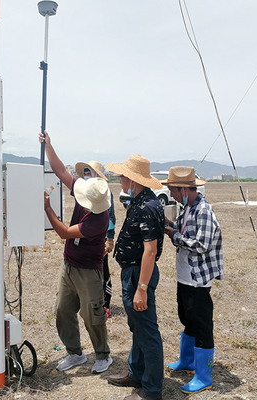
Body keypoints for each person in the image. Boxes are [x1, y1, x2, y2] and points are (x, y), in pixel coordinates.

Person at [39, 131, 113, 374]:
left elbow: (63, 232)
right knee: (62, 310)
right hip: (69, 265)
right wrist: (49, 145)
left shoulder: (99, 219)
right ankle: (75, 353)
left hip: (89, 270)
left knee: (92, 315)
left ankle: (103, 355)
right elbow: (60, 171)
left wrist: (48, 209)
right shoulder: (86, 192)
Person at [105, 154, 165, 400]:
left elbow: (150, 251)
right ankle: (136, 373)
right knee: (138, 327)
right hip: (132, 273)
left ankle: (151, 390)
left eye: (122, 176)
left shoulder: (147, 206)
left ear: (132, 179)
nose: (120, 180)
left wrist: (141, 288)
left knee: (147, 331)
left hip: (138, 275)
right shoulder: (140, 202)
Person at [161, 166, 223, 394]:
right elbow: (185, 231)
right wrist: (173, 228)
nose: (172, 195)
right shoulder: (188, 208)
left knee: (202, 325)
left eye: (173, 191)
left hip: (198, 279)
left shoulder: (204, 210)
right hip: (185, 276)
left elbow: (201, 244)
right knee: (186, 318)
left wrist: (175, 236)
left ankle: (203, 375)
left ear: (185, 189)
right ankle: (187, 361)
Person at [75, 161, 116, 318]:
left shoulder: (105, 192)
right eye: (85, 172)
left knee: (102, 271)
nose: (86, 175)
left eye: (89, 172)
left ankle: (105, 304)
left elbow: (111, 216)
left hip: (101, 238)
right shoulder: (84, 191)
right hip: (86, 238)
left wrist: (110, 238)